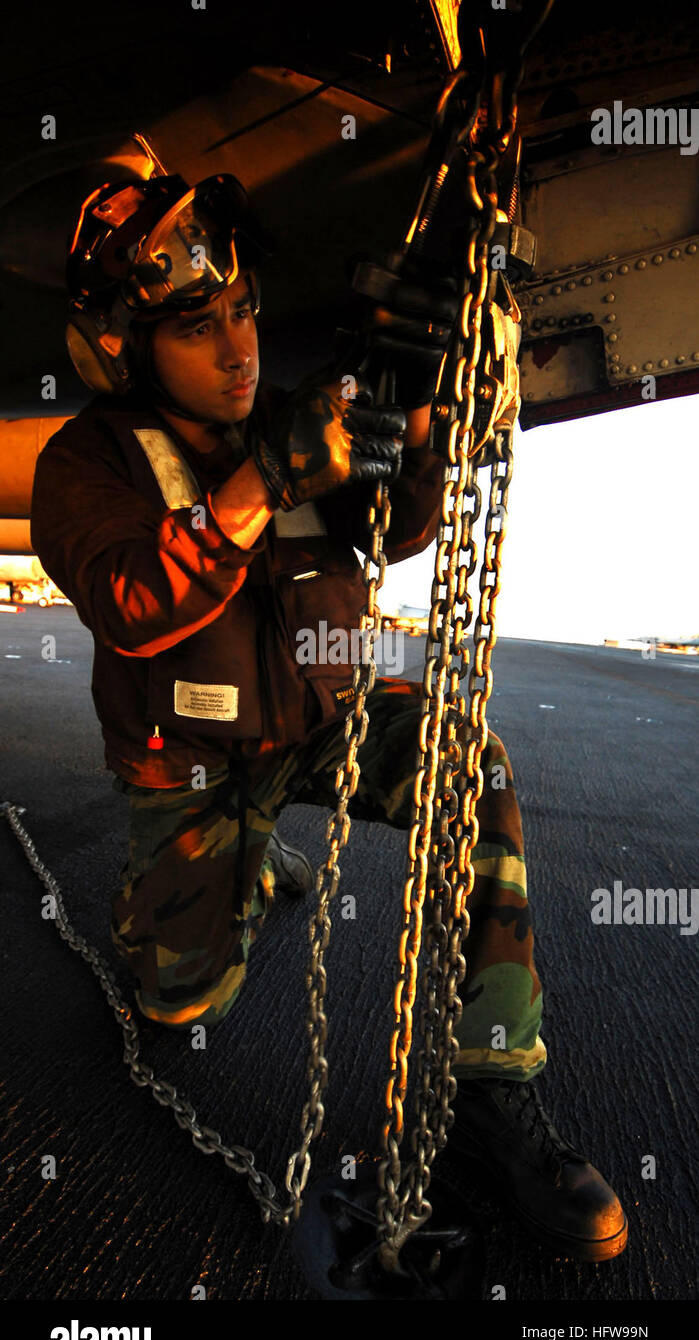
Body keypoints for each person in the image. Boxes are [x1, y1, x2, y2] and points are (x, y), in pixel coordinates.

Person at [30, 156, 628, 1266]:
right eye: (198, 325)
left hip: (319, 722)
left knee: (469, 760)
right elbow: (128, 602)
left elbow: (395, 529)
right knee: (178, 1004)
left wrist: (423, 421)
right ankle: (202, 889)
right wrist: (264, 481)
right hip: (197, 763)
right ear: (125, 347)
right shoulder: (88, 463)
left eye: (245, 310)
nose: (241, 344)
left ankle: (495, 1097)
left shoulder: (308, 424)